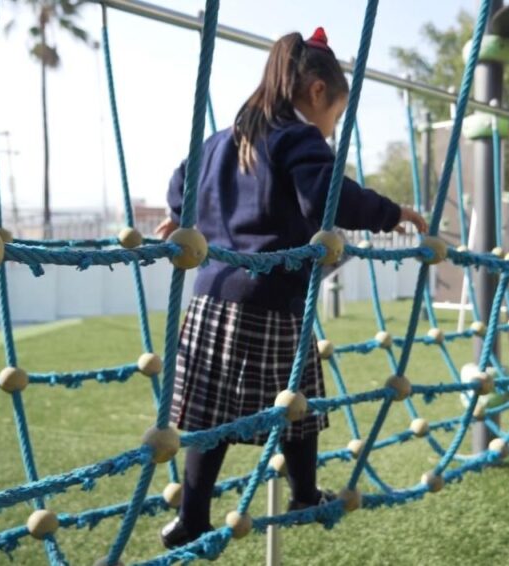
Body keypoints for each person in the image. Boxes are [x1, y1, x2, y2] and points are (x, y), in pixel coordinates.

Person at [154, 27, 427, 548]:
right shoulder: (295, 137)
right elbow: (326, 197)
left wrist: (179, 214)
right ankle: (302, 494)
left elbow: (181, 180)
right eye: (336, 118)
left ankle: (192, 516)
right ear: (317, 92)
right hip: (271, 300)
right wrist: (389, 213)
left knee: (211, 416)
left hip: (210, 299)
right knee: (298, 403)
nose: (331, 131)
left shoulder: (223, 139)